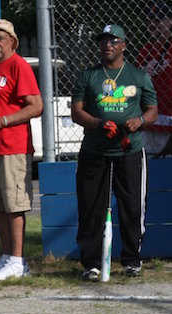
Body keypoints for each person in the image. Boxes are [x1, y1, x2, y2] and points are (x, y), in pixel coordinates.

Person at [71, 24, 158, 280]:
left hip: (129, 151)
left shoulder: (138, 75)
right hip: (94, 151)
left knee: (132, 206)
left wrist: (139, 121)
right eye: (103, 41)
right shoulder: (89, 76)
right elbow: (77, 111)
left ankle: (132, 260)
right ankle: (91, 263)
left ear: (124, 45)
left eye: (113, 40)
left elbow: (152, 110)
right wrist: (98, 123)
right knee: (91, 207)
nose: (107, 45)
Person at [0, 18, 44, 281]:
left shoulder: (19, 66)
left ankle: (18, 260)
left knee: (14, 204)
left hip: (12, 146)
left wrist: (1, 121)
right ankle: (6, 258)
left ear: (12, 41)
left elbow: (36, 106)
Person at [137, 2, 172, 157]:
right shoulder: (145, 51)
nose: (152, 24)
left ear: (169, 21)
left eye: (158, 20)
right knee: (148, 168)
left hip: (169, 124)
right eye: (150, 20)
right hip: (148, 124)